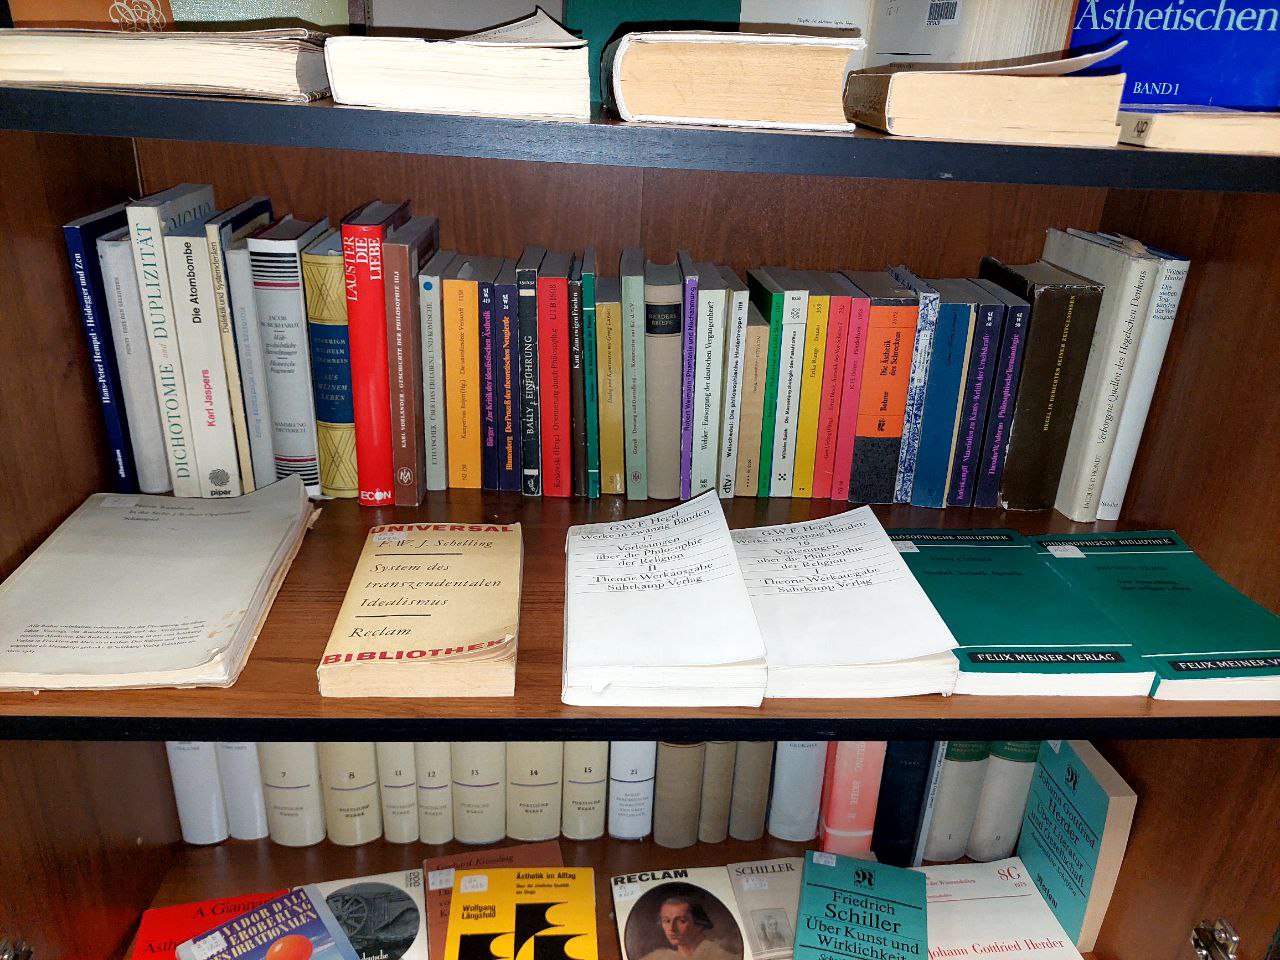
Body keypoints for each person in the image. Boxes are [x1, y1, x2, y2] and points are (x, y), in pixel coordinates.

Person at [637, 894, 740, 960]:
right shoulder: (659, 957)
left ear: (699, 924)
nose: (671, 928)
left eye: (681, 921)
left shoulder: (720, 956)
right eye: (666, 921)